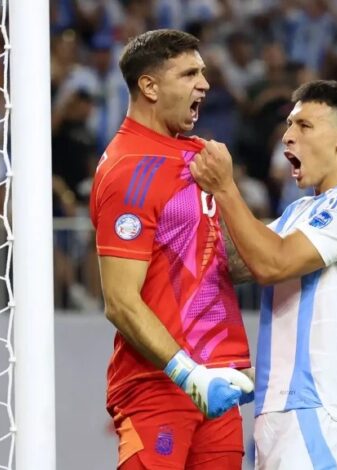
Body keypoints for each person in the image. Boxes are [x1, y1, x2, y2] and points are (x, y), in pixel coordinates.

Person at [190, 79, 337, 469]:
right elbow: (237, 262)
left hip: (319, 407)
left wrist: (227, 188)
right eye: (289, 125)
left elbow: (272, 264)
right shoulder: (301, 211)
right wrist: (197, 199)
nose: (287, 136)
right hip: (280, 407)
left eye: (304, 125)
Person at [89, 29, 254, 470]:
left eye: (203, 73)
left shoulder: (202, 158)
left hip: (217, 382)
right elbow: (120, 301)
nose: (205, 84)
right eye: (189, 74)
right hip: (158, 383)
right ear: (149, 86)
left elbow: (236, 262)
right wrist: (189, 374)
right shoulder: (128, 169)